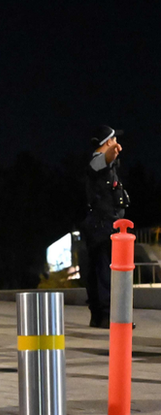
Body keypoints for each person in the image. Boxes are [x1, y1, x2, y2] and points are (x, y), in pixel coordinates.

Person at [81, 125, 128, 329]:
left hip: (101, 225)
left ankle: (99, 316)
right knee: (104, 271)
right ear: (108, 142)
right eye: (114, 139)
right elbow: (104, 159)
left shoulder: (102, 165)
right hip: (102, 227)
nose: (117, 142)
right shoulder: (96, 162)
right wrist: (111, 152)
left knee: (98, 270)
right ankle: (107, 316)